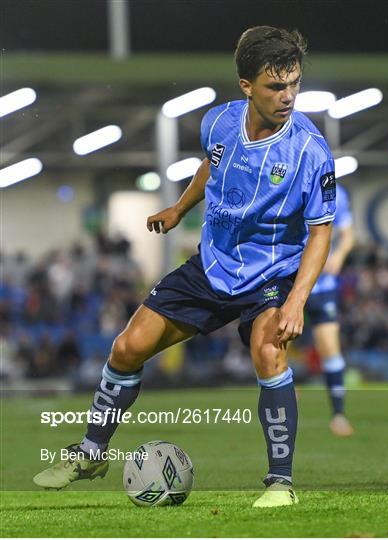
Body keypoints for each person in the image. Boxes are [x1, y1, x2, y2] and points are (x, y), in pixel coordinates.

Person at [33, 26, 336, 508]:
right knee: (128, 346)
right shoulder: (218, 122)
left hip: (271, 276)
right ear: (246, 87)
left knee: (268, 351)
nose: (289, 96)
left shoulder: (309, 151)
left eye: (294, 83)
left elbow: (321, 229)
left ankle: (281, 483)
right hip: (212, 265)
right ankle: (91, 452)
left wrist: (297, 300)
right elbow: (212, 165)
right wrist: (178, 208)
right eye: (276, 86)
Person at [305, 183, 355, 436]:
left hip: (322, 286)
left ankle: (338, 415)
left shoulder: (336, 192)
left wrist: (339, 256)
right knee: (271, 349)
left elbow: (348, 233)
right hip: (286, 283)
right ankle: (279, 415)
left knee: (330, 349)